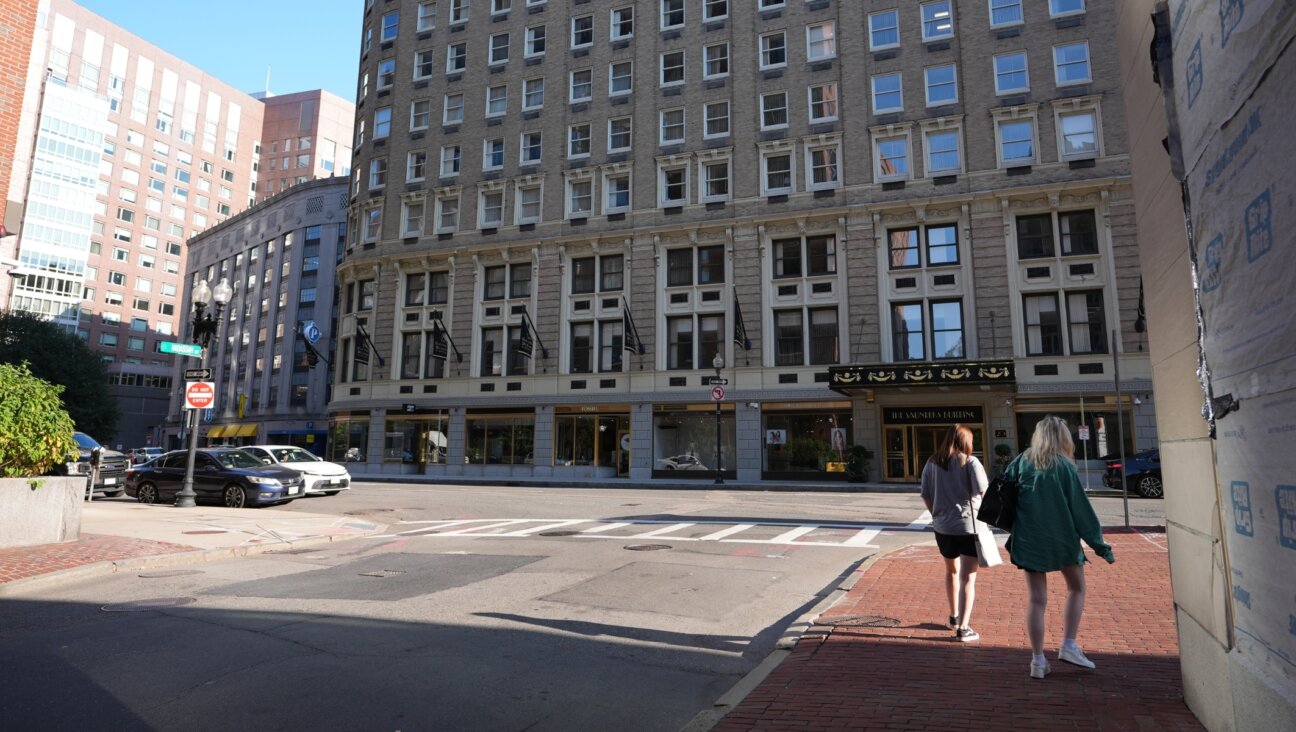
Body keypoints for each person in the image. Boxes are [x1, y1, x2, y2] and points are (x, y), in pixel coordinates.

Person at [1004, 415, 1115, 679]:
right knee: (1076, 588)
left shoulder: (1022, 461)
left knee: (1036, 599)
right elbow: (1081, 511)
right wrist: (1100, 546)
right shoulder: (1064, 467)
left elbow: (1006, 495)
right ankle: (1068, 644)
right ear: (1063, 438)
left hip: (1029, 540)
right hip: (1062, 538)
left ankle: (1037, 661)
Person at [919, 424, 990, 642]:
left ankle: (954, 615)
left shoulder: (931, 463)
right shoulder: (970, 462)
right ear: (965, 441)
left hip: (943, 527)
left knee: (951, 571)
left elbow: (925, 494)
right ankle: (964, 627)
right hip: (968, 526)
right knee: (968, 576)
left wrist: (937, 514)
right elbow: (983, 491)